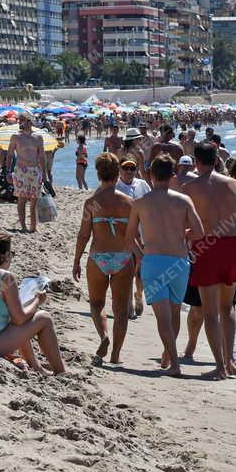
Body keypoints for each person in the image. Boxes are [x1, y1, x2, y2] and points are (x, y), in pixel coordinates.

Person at [180, 141, 236, 380]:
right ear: (216, 159)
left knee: (210, 312)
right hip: (233, 246)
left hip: (207, 247)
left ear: (196, 161)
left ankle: (220, 365)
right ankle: (229, 359)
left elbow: (183, 224)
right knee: (228, 306)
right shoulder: (234, 184)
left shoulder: (190, 187)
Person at [125, 153, 205, 377]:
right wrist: (183, 235)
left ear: (150, 175)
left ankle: (174, 363)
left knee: (163, 317)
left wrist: (141, 256)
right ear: (172, 175)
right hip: (179, 261)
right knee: (174, 312)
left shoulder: (140, 203)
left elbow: (128, 238)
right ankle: (169, 355)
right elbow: (199, 232)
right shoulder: (183, 200)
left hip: (154, 260)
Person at [0, 233, 66, 375]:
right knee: (44, 318)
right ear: (4, 256)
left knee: (15, 323)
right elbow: (19, 319)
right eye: (11, 254)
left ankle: (36, 366)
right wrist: (37, 301)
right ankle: (60, 372)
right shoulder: (5, 277)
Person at [73, 153, 136, 365]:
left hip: (98, 256)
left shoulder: (91, 203)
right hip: (123, 257)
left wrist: (76, 260)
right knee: (120, 310)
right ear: (118, 174)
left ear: (98, 174)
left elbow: (83, 235)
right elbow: (135, 235)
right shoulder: (129, 203)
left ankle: (104, 336)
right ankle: (116, 355)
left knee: (97, 304)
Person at [115, 158, 150, 317]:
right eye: (125, 168)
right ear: (119, 169)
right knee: (128, 271)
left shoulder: (142, 184)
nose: (129, 171)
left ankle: (139, 294)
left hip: (143, 234)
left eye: (132, 168)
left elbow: (153, 203)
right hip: (124, 235)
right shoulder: (115, 186)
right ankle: (128, 306)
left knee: (140, 271)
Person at [6, 112, 46, 232]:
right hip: (20, 170)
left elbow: (42, 156)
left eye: (22, 119)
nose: (19, 122)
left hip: (35, 170)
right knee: (22, 199)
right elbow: (9, 154)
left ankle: (33, 227)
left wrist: (45, 174)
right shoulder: (15, 136)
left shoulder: (38, 137)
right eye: (19, 119)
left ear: (29, 121)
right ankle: (23, 226)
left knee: (34, 200)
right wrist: (8, 171)